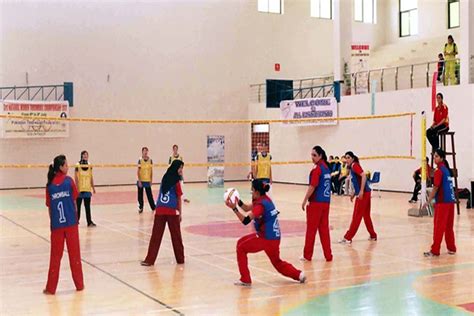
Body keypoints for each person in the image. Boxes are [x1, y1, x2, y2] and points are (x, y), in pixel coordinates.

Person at [225, 179, 306, 286]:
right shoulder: (264, 199)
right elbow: (246, 208)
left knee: (241, 247)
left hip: (266, 238)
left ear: (257, 192)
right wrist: (237, 200)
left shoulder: (260, 206)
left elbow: (245, 220)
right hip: (274, 237)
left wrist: (234, 208)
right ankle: (299, 275)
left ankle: (245, 279)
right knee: (277, 263)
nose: (251, 192)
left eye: (252, 190)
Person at [44, 155, 84, 294]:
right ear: (61, 167)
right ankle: (79, 285)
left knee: (55, 257)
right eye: (66, 165)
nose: (68, 167)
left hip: (56, 227)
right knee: (75, 255)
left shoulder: (49, 186)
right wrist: (75, 218)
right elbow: (74, 203)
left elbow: (50, 208)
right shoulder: (69, 182)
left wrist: (53, 223)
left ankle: (51, 288)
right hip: (71, 224)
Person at [141, 160, 185, 266]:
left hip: (160, 210)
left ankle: (149, 260)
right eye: (180, 168)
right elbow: (178, 198)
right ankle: (180, 259)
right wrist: (180, 213)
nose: (181, 170)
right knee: (176, 236)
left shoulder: (165, 177)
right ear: (176, 168)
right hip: (171, 211)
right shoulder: (176, 182)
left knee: (155, 236)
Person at [300, 146, 333, 262]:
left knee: (311, 230)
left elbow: (312, 186)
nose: (312, 157)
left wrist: (304, 200)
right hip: (326, 203)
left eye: (314, 155)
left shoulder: (317, 169)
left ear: (320, 156)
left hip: (316, 203)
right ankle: (328, 256)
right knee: (324, 230)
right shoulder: (327, 168)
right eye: (311, 155)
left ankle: (307, 256)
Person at [422, 149, 456, 257]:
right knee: (448, 226)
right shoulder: (447, 170)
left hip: (443, 203)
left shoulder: (439, 171)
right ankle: (452, 248)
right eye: (434, 156)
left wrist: (428, 201)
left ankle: (435, 250)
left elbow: (435, 187)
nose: (434, 158)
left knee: (438, 227)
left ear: (441, 158)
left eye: (436, 156)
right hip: (451, 202)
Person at [339, 151, 377, 244]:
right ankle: (373, 235)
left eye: (348, 157)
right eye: (346, 157)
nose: (347, 159)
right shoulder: (351, 167)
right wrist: (354, 193)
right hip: (366, 193)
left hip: (364, 194)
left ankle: (348, 237)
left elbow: (363, 176)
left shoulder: (354, 165)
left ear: (352, 158)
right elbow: (357, 181)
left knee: (357, 216)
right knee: (366, 216)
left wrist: (361, 191)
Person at [75, 150, 96, 227]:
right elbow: (76, 177)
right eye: (84, 155)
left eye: (86, 155)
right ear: (81, 156)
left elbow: (91, 176)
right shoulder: (78, 165)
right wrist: (76, 188)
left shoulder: (89, 165)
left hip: (87, 189)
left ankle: (89, 222)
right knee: (78, 207)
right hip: (80, 190)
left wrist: (93, 187)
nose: (85, 156)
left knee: (87, 207)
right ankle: (76, 221)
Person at [137, 147, 156, 213]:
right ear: (142, 152)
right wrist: (139, 180)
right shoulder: (140, 160)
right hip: (141, 180)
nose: (145, 152)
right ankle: (140, 207)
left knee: (149, 195)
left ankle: (153, 207)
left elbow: (151, 170)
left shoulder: (150, 160)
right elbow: (138, 171)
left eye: (146, 151)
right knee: (140, 195)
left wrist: (151, 180)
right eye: (144, 151)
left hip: (147, 180)